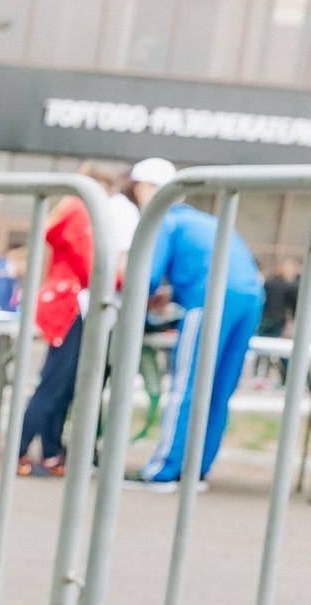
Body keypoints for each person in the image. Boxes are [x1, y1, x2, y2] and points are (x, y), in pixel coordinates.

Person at [126, 156, 264, 487]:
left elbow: (145, 277)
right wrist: (171, 296)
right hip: (250, 297)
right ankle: (196, 469)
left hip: (211, 297)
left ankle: (164, 470)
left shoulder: (165, 220)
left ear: (145, 188)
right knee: (219, 389)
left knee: (188, 384)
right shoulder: (204, 220)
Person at [16, 188, 94, 478]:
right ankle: (20, 449)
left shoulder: (74, 211)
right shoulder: (81, 212)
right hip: (67, 306)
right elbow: (91, 265)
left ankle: (50, 452)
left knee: (61, 387)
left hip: (66, 304)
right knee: (53, 385)